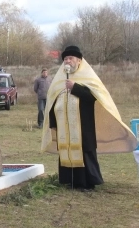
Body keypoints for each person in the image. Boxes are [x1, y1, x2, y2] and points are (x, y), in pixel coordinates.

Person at [41, 45, 137, 191]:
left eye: (70, 58)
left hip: (83, 125)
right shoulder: (59, 79)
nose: (67, 61)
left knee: (84, 151)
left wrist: (75, 88)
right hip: (64, 127)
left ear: (79, 61)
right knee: (66, 151)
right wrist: (53, 122)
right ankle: (71, 181)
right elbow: (52, 101)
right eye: (65, 59)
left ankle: (87, 183)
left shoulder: (89, 77)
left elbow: (94, 97)